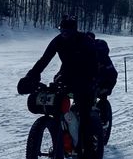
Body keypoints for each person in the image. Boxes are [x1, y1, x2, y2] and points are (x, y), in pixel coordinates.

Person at [18, 15, 98, 144]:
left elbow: (93, 64)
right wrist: (32, 76)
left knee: (84, 111)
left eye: (68, 30)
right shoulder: (58, 41)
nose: (64, 33)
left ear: (74, 30)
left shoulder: (85, 41)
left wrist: (90, 82)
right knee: (56, 101)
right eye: (62, 30)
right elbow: (44, 60)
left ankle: (87, 144)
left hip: (86, 76)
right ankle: (62, 136)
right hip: (66, 75)